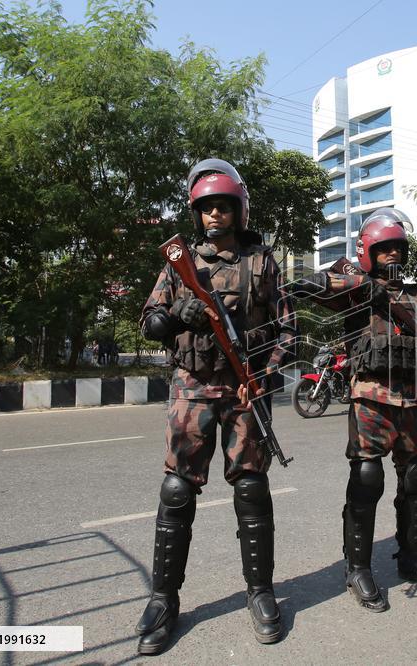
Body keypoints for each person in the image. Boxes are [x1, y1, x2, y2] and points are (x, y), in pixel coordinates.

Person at [135, 158, 296, 653]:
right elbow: (149, 322)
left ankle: (261, 591)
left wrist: (264, 377)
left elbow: (288, 330)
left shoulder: (263, 263)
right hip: (193, 385)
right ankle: (164, 598)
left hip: (244, 388)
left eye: (222, 207)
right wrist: (176, 314)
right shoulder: (180, 262)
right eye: (205, 209)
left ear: (239, 210)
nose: (213, 217)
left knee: (250, 487)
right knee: (177, 490)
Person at [294, 208, 417, 612]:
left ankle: (411, 557)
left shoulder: (415, 296)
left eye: (398, 248)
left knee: (415, 478)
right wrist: (362, 286)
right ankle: (358, 567)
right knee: (367, 479)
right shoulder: (353, 290)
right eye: (384, 250)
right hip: (371, 398)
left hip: (414, 400)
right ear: (368, 253)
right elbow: (305, 285)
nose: (393, 256)